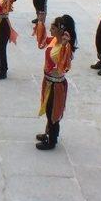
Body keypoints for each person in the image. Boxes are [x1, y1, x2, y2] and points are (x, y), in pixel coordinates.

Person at [33, 13, 76, 150]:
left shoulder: (66, 47)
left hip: (56, 84)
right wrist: (40, 23)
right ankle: (48, 132)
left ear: (59, 30)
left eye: (52, 27)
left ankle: (52, 140)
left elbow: (65, 65)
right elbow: (42, 41)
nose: (50, 29)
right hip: (49, 81)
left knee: (54, 111)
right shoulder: (54, 40)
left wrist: (64, 46)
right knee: (48, 108)